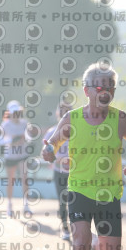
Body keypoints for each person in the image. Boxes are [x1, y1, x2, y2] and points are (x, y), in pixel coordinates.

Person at [42, 62, 126, 250]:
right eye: (100, 87)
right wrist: (48, 152)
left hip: (109, 193)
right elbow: (52, 144)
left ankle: (96, 241)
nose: (106, 92)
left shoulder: (120, 119)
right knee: (79, 243)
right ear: (87, 91)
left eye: (111, 87)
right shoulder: (71, 119)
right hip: (79, 190)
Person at [43, 102, 72, 240]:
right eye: (61, 112)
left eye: (67, 112)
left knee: (76, 201)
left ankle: (79, 229)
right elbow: (46, 154)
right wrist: (57, 159)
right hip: (59, 172)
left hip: (76, 173)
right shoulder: (52, 132)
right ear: (57, 114)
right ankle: (65, 228)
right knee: (62, 201)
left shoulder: (77, 132)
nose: (63, 114)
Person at [0, 100, 33, 217]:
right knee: (11, 180)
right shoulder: (5, 125)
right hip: (10, 156)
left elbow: (29, 137)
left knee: (25, 178)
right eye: (13, 113)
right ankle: (9, 205)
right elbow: (0, 141)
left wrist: (24, 139)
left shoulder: (25, 123)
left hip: (23, 155)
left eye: (17, 112)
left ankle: (26, 205)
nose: (16, 115)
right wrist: (12, 140)